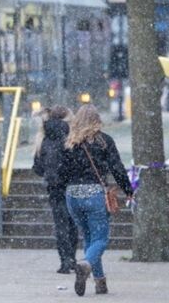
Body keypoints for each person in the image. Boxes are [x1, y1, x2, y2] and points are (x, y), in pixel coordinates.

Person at [60, 104, 133, 296]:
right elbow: (117, 167)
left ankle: (100, 283)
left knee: (89, 238)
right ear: (97, 120)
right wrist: (128, 189)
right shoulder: (104, 141)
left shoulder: (69, 142)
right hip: (94, 194)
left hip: (72, 196)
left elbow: (61, 172)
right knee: (101, 239)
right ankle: (85, 265)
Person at [32, 105, 79, 274]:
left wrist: (50, 172)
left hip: (54, 187)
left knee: (60, 224)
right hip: (72, 185)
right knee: (73, 223)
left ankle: (64, 261)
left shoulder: (43, 138)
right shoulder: (72, 136)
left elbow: (37, 168)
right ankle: (72, 258)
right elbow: (78, 161)